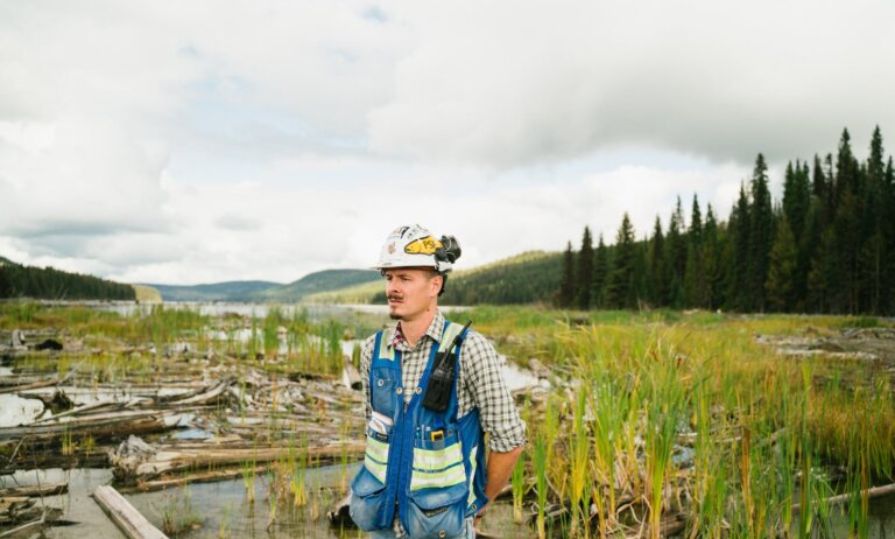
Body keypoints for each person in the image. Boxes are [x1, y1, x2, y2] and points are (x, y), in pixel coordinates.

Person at [349, 225, 526, 539]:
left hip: (443, 529)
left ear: (435, 284)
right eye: (389, 277)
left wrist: (481, 502)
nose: (393, 288)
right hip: (381, 527)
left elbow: (509, 440)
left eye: (405, 278)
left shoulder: (470, 349)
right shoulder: (371, 351)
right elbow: (373, 430)